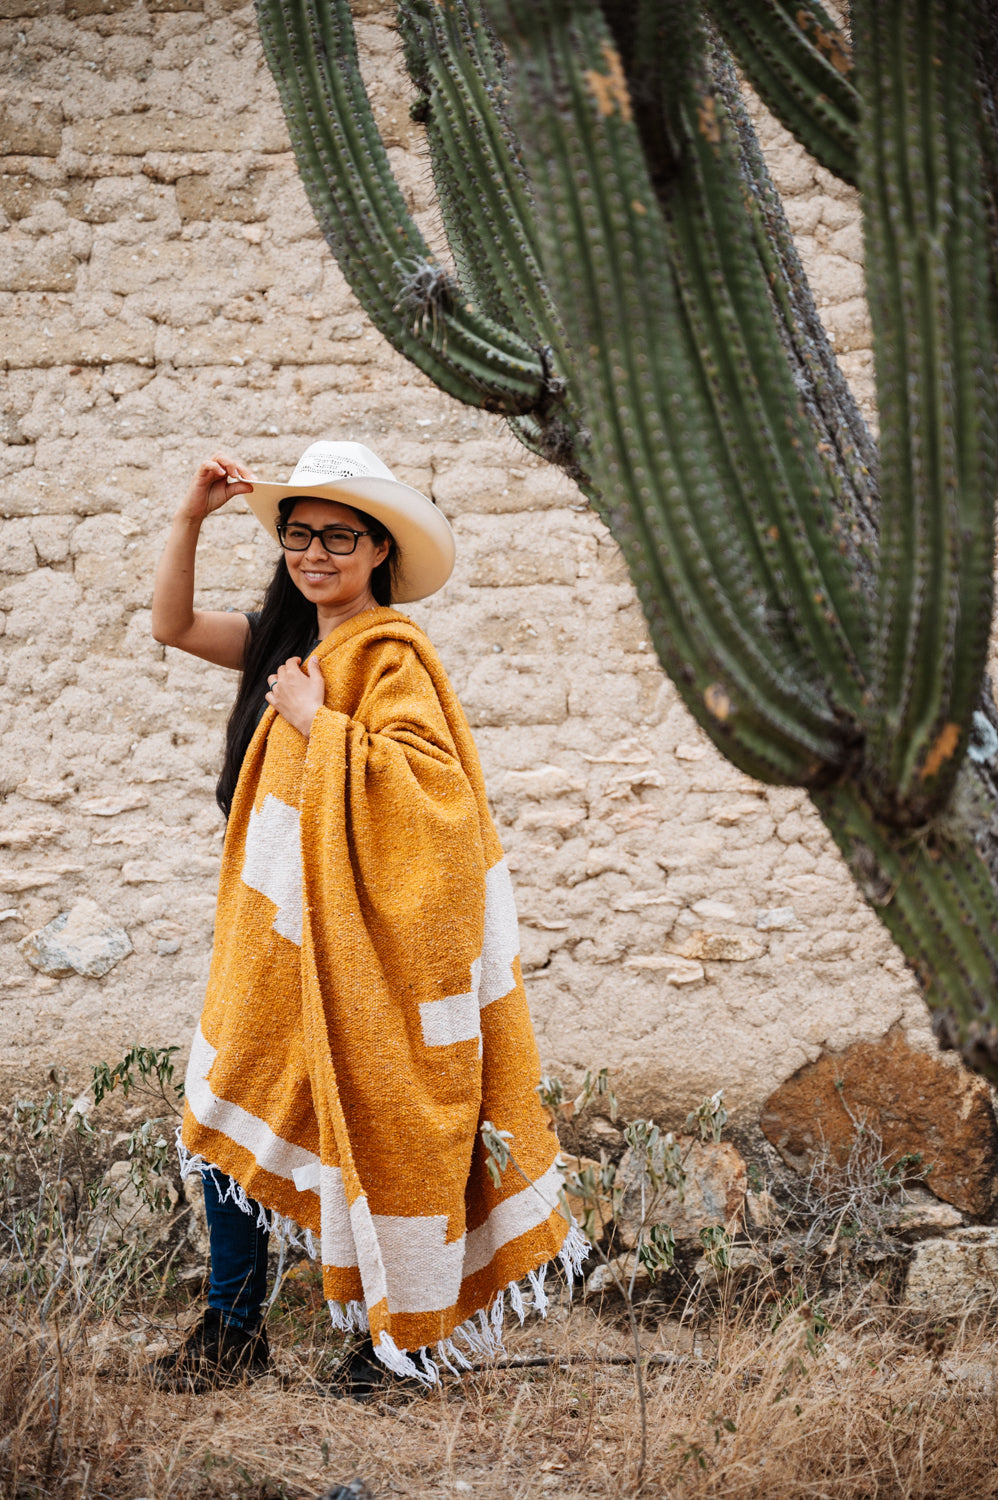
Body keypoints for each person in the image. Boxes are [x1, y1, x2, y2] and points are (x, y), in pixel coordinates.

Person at [148, 442, 583, 1395]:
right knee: (230, 1105)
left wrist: (319, 723)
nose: (316, 554)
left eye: (339, 537)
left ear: (379, 548)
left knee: (386, 1127)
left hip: (367, 950)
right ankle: (231, 1330)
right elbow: (172, 624)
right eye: (300, 535)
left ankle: (397, 1343)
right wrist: (190, 516)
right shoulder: (283, 640)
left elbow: (442, 802)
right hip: (279, 938)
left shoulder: (389, 658)